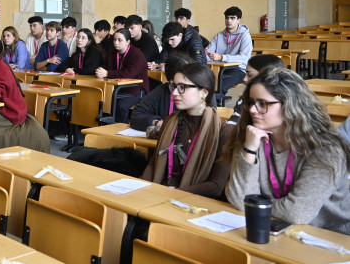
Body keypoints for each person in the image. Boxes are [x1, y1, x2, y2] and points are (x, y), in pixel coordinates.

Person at [225, 68, 350, 235]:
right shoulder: (253, 137)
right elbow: (239, 200)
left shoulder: (326, 149)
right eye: (251, 102)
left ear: (290, 104)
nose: (253, 110)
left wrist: (256, 205)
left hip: (332, 237)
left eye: (263, 103)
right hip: (279, 230)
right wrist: (249, 151)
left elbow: (297, 213)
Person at [142, 63, 234, 198]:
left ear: (204, 92)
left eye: (182, 87)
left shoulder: (225, 132)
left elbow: (216, 186)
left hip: (193, 203)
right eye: (174, 87)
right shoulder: (170, 121)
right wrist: (142, 188)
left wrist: (173, 195)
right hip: (160, 193)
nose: (174, 93)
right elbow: (154, 163)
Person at [95, 28, 149, 123]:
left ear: (128, 42)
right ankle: (107, 127)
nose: (116, 42)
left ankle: (122, 128)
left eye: (120, 40)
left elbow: (130, 74)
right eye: (114, 39)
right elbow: (105, 67)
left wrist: (108, 73)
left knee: (120, 105)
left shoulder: (136, 54)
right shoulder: (112, 54)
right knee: (101, 101)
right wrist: (100, 71)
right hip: (117, 88)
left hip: (136, 89)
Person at [130, 54, 194, 133]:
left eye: (182, 86)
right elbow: (136, 115)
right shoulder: (161, 91)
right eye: (173, 85)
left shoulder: (197, 94)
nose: (175, 92)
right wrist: (157, 123)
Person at [206, 6, 253, 96]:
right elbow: (208, 52)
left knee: (219, 85)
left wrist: (222, 57)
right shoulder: (219, 35)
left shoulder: (245, 36)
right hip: (219, 68)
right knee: (202, 82)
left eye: (232, 18)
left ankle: (216, 106)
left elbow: (244, 58)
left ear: (239, 20)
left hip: (238, 70)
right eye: (227, 18)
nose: (229, 20)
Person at [228, 54, 285, 124]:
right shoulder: (245, 98)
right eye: (251, 103)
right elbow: (233, 125)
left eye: (250, 75)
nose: (244, 79)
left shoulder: (287, 104)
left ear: (268, 77)